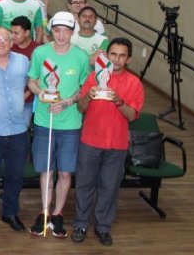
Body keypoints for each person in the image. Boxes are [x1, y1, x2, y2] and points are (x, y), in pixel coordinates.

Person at [72, 38, 144, 247]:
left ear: (128, 59)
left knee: (109, 187)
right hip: (90, 141)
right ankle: (80, 225)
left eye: (122, 55)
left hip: (117, 145)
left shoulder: (134, 83)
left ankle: (103, 227)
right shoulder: (94, 77)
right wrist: (89, 96)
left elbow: (132, 116)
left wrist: (118, 101)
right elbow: (81, 108)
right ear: (107, 55)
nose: (117, 59)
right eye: (113, 54)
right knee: (84, 185)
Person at [26, 11, 90, 237]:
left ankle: (58, 213)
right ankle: (44, 212)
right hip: (44, 120)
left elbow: (85, 88)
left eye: (66, 31)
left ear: (72, 32)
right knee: (46, 170)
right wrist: (41, 92)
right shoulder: (40, 52)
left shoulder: (81, 56)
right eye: (57, 30)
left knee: (64, 172)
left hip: (71, 123)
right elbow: (32, 81)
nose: (61, 35)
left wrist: (67, 102)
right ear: (51, 31)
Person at [0, 27, 30, 233]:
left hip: (19, 128)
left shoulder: (23, 62)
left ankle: (10, 212)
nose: (1, 42)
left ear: (12, 42)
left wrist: (23, 98)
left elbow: (33, 83)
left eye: (5, 39)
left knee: (16, 174)